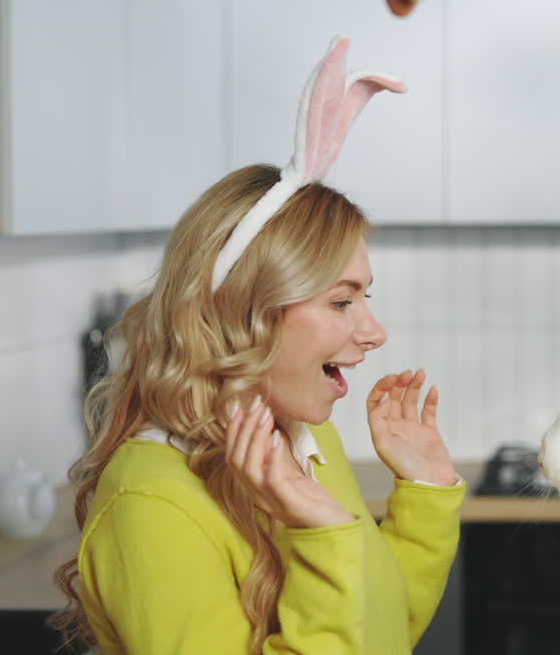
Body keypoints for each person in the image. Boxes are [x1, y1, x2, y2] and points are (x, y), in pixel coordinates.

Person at [50, 38, 465, 655]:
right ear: (245, 317)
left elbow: (378, 634)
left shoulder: (302, 441)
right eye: (341, 302)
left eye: (364, 298)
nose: (373, 333)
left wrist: (427, 497)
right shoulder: (152, 502)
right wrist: (319, 529)